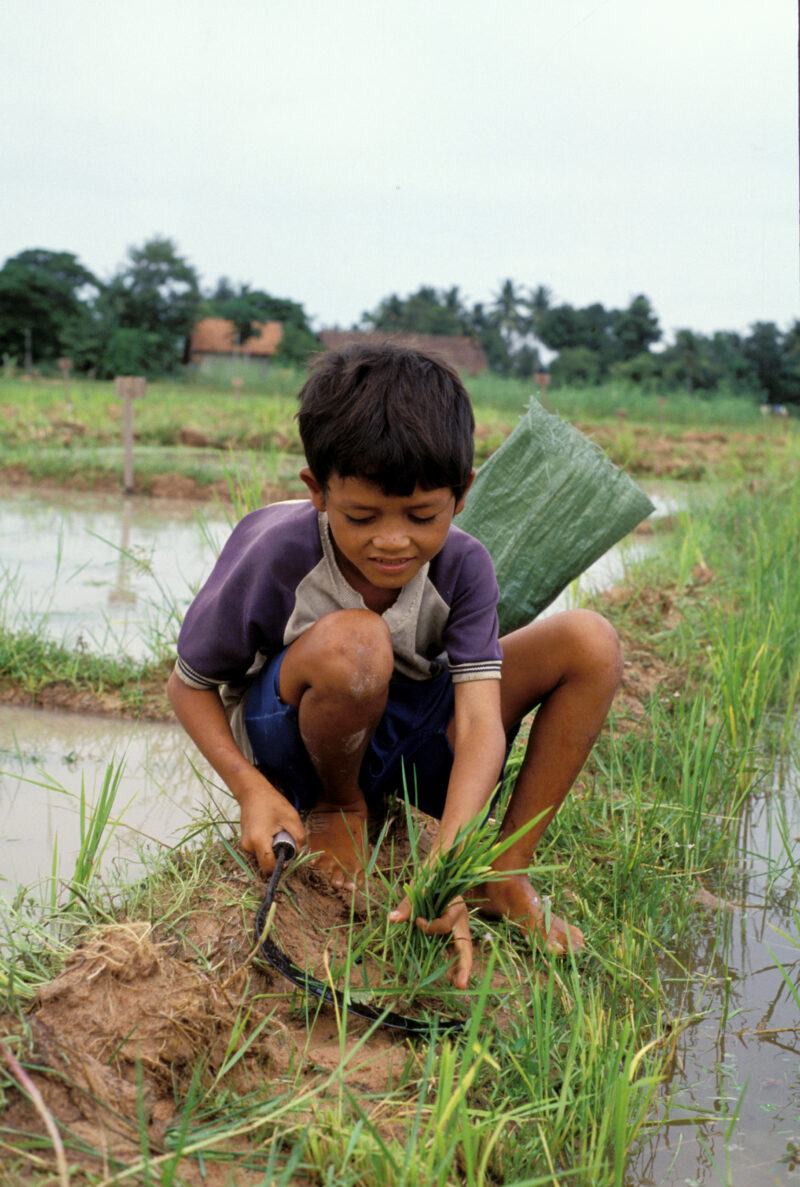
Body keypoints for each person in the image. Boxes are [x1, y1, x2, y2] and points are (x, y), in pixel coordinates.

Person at [167, 343, 623, 989]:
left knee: (590, 640)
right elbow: (188, 687)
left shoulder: (465, 565)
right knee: (358, 641)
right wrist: (250, 787)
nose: (392, 539)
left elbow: (477, 719)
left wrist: (452, 857)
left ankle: (504, 873)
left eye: (420, 516)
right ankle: (335, 808)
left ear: (461, 494)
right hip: (298, 729)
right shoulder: (277, 552)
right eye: (361, 516)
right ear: (318, 492)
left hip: (404, 724)